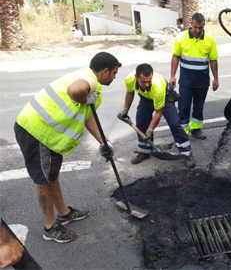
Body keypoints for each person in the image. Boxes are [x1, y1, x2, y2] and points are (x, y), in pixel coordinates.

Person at [14, 52, 121, 243]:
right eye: (114, 73)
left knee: (51, 175)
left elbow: (88, 116)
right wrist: (84, 98)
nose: (114, 77)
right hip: (36, 131)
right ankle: (50, 228)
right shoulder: (90, 80)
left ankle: (64, 213)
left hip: (46, 133)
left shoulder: (90, 81)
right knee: (44, 180)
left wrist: (104, 142)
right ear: (105, 71)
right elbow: (76, 90)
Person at [118, 63, 196, 168]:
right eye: (143, 82)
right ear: (136, 77)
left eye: (149, 81)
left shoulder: (157, 86)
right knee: (141, 122)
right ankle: (144, 152)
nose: (146, 84)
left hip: (165, 98)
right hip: (146, 98)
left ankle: (187, 154)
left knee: (174, 124)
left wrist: (150, 130)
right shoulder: (129, 80)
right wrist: (125, 109)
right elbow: (130, 92)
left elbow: (158, 112)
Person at [169, 13, 219, 140]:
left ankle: (196, 130)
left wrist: (216, 78)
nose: (198, 30)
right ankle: (183, 133)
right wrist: (173, 76)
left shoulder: (209, 40)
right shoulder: (181, 37)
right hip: (186, 81)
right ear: (191, 24)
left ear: (204, 26)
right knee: (183, 107)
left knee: (199, 107)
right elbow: (175, 57)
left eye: (200, 28)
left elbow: (213, 60)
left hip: (202, 82)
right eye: (196, 27)